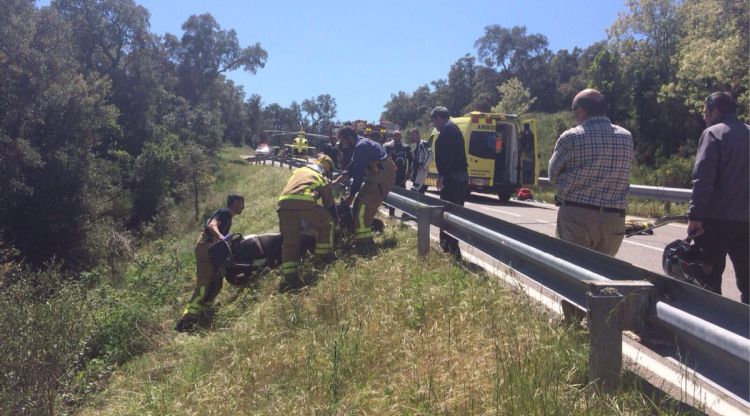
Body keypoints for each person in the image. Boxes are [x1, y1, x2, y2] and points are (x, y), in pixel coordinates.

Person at [548, 88, 633, 256]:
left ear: (581, 110)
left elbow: (552, 175)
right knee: (600, 274)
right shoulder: (626, 137)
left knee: (570, 269)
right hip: (613, 218)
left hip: (577, 216)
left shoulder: (571, 137)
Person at [687, 92, 749, 303]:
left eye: (706, 112)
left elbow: (703, 177)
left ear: (715, 111)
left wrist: (695, 215)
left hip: (716, 220)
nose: (704, 117)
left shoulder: (713, 133)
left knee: (708, 280)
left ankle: (712, 329)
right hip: (747, 222)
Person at [176, 194, 245, 332]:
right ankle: (186, 321)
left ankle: (204, 313)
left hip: (211, 249)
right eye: (242, 203)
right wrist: (222, 237)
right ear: (236, 202)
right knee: (204, 285)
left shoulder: (228, 217)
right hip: (206, 248)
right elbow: (212, 225)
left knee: (216, 282)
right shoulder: (225, 213)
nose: (244, 207)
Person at [277, 155, 339, 292]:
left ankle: (289, 276)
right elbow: (329, 203)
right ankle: (322, 257)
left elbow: (296, 188)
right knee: (327, 222)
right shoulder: (320, 175)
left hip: (283, 203)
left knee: (290, 241)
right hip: (303, 202)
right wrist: (336, 219)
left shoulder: (300, 171)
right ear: (327, 169)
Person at [338, 125, 396, 252]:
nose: (342, 144)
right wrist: (338, 179)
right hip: (377, 174)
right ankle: (360, 240)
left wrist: (351, 196)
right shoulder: (360, 144)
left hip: (382, 175)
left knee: (362, 208)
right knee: (359, 204)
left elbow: (358, 175)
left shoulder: (361, 146)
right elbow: (352, 165)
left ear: (348, 138)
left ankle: (365, 245)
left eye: (342, 140)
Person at [431, 106, 469, 255]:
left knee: (448, 213)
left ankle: (450, 248)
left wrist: (441, 177)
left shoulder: (448, 131)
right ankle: (449, 247)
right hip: (457, 177)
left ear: (439, 118)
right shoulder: (453, 129)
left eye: (434, 121)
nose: (434, 125)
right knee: (452, 212)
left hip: (453, 178)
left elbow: (448, 157)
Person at [410, 129, 432, 193]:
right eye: (411, 135)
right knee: (418, 191)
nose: (412, 136)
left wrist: (423, 166)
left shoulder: (423, 143)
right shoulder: (417, 145)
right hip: (417, 172)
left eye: (413, 135)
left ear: (418, 135)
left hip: (421, 171)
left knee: (415, 190)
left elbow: (429, 155)